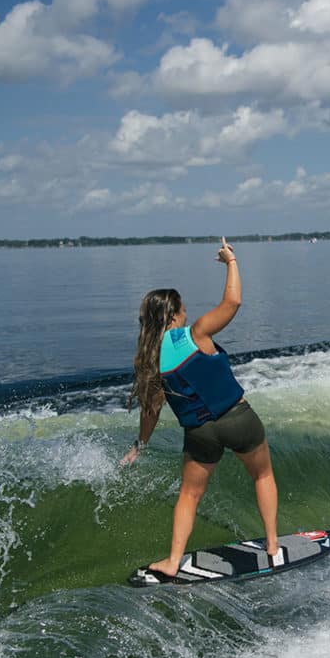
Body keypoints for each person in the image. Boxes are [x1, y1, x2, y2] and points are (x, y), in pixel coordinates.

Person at [122, 238, 279, 578]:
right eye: (183, 309)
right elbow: (233, 301)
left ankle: (171, 561)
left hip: (200, 432)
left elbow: (150, 412)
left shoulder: (150, 361)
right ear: (175, 315)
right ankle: (271, 544)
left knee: (190, 496)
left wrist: (140, 445)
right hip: (238, 419)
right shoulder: (196, 334)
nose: (187, 313)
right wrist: (231, 262)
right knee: (262, 475)